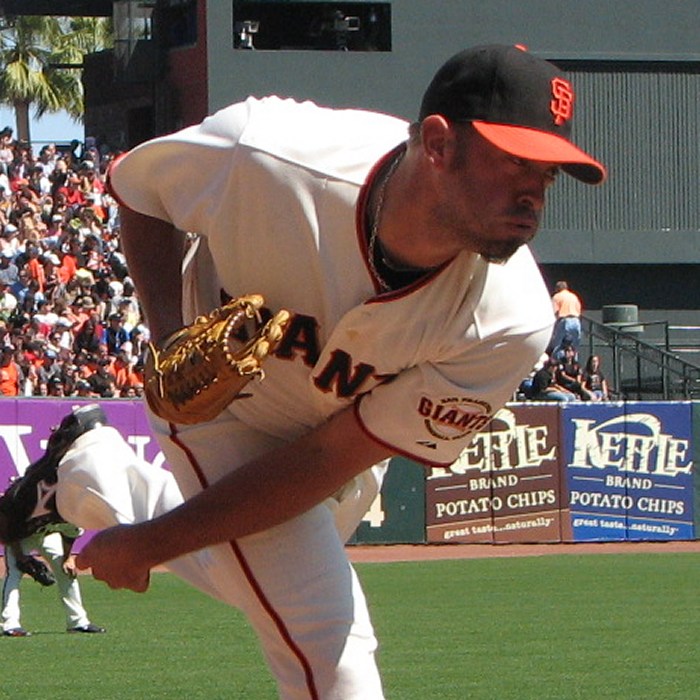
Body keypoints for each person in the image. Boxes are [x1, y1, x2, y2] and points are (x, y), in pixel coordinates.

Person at [73, 45, 605, 698]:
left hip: (334, 438)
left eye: (549, 173)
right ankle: (100, 474)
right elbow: (141, 191)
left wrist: (148, 543)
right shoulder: (269, 153)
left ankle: (94, 468)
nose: (535, 193)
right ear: (439, 144)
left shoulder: (511, 320)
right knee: (327, 637)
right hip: (220, 412)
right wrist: (167, 337)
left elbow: (325, 458)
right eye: (517, 161)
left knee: (252, 578)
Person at [2, 522, 106, 637]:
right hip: (21, 536)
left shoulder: (68, 515)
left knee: (66, 572)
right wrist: (20, 556)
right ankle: (10, 624)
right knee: (14, 573)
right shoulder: (24, 512)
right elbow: (8, 529)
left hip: (49, 535)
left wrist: (67, 559)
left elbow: (70, 535)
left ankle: (78, 622)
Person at [549, 280, 582, 357]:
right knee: (574, 346)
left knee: (558, 345)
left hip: (564, 321)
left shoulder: (557, 297)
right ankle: (574, 361)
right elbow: (579, 310)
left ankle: (558, 361)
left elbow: (554, 312)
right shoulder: (574, 296)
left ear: (557, 288)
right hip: (576, 321)